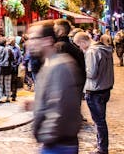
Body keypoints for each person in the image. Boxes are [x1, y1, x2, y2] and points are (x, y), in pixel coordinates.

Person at [25, 20, 83, 154]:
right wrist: (36, 104)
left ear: (47, 40)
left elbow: (59, 111)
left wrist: (45, 135)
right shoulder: (48, 64)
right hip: (54, 145)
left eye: (33, 38)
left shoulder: (60, 66)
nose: (29, 43)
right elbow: (55, 99)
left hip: (59, 146)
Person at [73, 32, 114, 154]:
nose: (79, 48)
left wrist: (79, 70)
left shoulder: (92, 52)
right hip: (105, 88)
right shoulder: (104, 49)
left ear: (82, 42)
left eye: (78, 45)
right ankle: (102, 146)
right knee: (101, 120)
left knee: (99, 121)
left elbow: (91, 73)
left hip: (95, 90)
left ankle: (102, 149)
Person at [54, 19, 86, 88]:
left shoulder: (59, 47)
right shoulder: (75, 48)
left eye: (55, 29)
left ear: (61, 31)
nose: (53, 31)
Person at [0, 37, 13, 103]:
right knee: (7, 84)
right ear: (5, 43)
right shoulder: (9, 50)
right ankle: (8, 98)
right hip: (8, 69)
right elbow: (12, 59)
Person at [8, 36, 22, 101]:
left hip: (15, 66)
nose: (12, 42)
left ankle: (14, 94)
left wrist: (17, 63)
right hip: (8, 66)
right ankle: (10, 92)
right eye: (11, 41)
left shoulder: (17, 47)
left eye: (13, 41)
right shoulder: (7, 47)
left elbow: (19, 57)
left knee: (14, 80)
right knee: (9, 80)